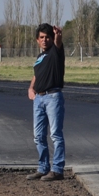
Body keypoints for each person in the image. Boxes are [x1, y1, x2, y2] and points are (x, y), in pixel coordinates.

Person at [27, 23, 66, 181]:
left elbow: (58, 42)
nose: (45, 40)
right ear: (37, 40)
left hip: (53, 97)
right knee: (38, 136)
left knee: (55, 134)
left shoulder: (56, 52)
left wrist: (58, 37)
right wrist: (31, 88)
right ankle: (43, 168)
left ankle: (57, 170)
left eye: (48, 37)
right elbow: (36, 75)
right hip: (39, 99)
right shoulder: (39, 58)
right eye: (42, 37)